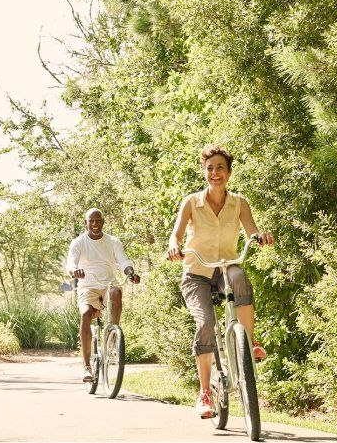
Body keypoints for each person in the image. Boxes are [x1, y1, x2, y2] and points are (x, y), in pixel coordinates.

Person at [166, 144, 275, 419]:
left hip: (226, 266)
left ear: (229, 173)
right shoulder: (192, 202)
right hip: (197, 272)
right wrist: (174, 246)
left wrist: (260, 237)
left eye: (220, 168)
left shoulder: (239, 203)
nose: (215, 173)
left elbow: (251, 231)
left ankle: (247, 343)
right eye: (210, 168)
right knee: (206, 323)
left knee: (240, 277)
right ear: (204, 172)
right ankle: (204, 393)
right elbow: (176, 235)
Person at [66, 208, 140, 383]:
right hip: (87, 286)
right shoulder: (78, 242)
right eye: (91, 221)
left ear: (103, 222)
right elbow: (71, 263)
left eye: (98, 221)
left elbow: (124, 260)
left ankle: (113, 336)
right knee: (86, 314)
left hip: (108, 284)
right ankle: (87, 367)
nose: (95, 224)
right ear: (86, 223)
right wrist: (75, 271)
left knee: (116, 291)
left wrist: (130, 273)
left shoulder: (113, 241)